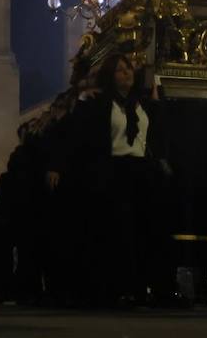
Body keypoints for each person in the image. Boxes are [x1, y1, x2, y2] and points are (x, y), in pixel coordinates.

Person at [47, 54, 176, 308]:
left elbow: (155, 136)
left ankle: (148, 288)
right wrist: (57, 165)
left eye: (128, 68)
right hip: (113, 172)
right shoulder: (98, 104)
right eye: (119, 70)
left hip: (141, 172)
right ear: (110, 76)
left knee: (146, 231)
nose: (126, 73)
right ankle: (118, 288)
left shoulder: (143, 105)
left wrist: (160, 160)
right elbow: (75, 137)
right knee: (119, 233)